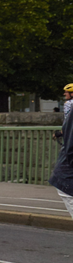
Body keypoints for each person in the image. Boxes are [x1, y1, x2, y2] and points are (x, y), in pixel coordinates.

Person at [53, 82, 73, 221]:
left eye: (67, 92)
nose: (65, 94)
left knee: (65, 190)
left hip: (68, 167)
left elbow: (68, 128)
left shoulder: (69, 105)